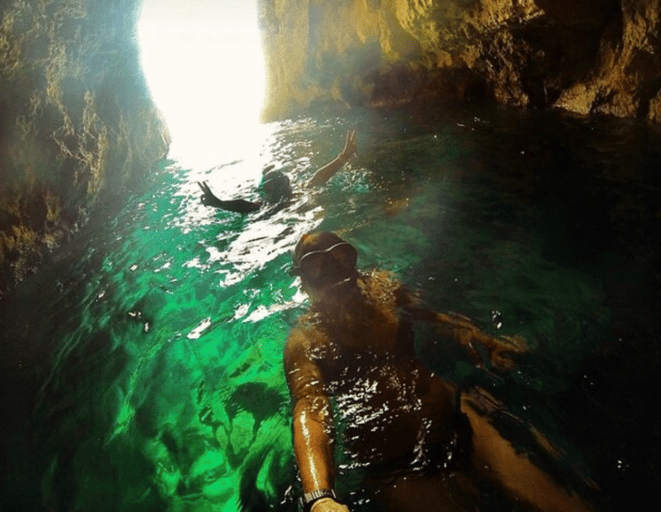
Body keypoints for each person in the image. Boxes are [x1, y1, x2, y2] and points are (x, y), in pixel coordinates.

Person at [284, 231, 596, 512]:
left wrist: (480, 339)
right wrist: (320, 497)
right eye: (317, 268)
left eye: (340, 258)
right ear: (304, 282)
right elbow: (309, 410)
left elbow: (434, 318)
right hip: (396, 468)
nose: (338, 277)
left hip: (457, 419)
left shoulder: (384, 288)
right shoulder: (305, 340)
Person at [198, 130, 357, 214]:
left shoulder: (267, 205)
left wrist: (219, 204)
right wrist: (344, 156)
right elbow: (319, 176)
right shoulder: (296, 194)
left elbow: (245, 206)